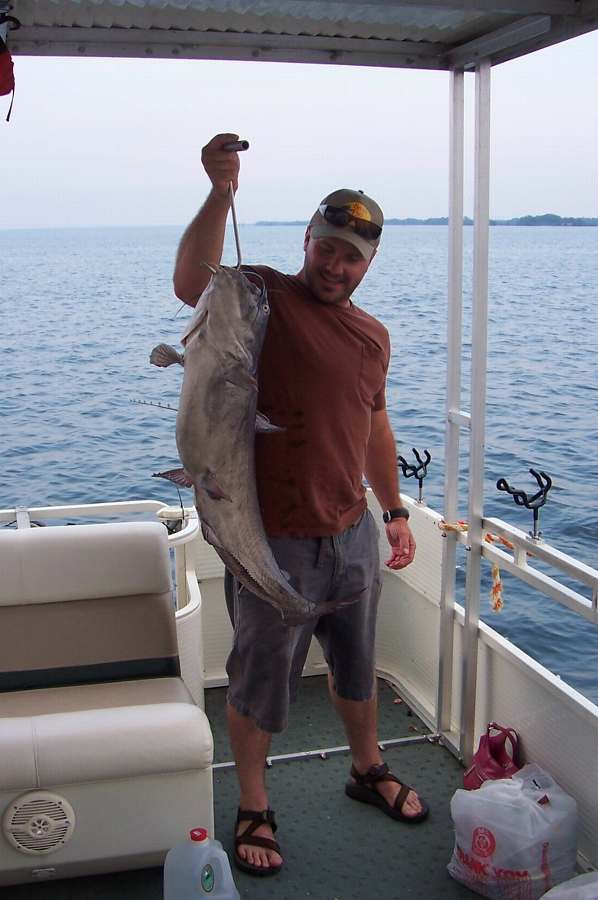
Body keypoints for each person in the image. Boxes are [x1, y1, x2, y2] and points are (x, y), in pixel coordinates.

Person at [173, 133, 429, 877]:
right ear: (307, 240)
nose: (335, 265)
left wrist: (396, 511)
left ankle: (366, 767)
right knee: (260, 677)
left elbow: (373, 422)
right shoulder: (260, 294)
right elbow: (192, 280)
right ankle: (254, 803)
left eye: (352, 256)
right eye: (327, 248)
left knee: (357, 667)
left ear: (368, 264)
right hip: (269, 536)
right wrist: (221, 191)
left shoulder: (372, 335)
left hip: (349, 533)